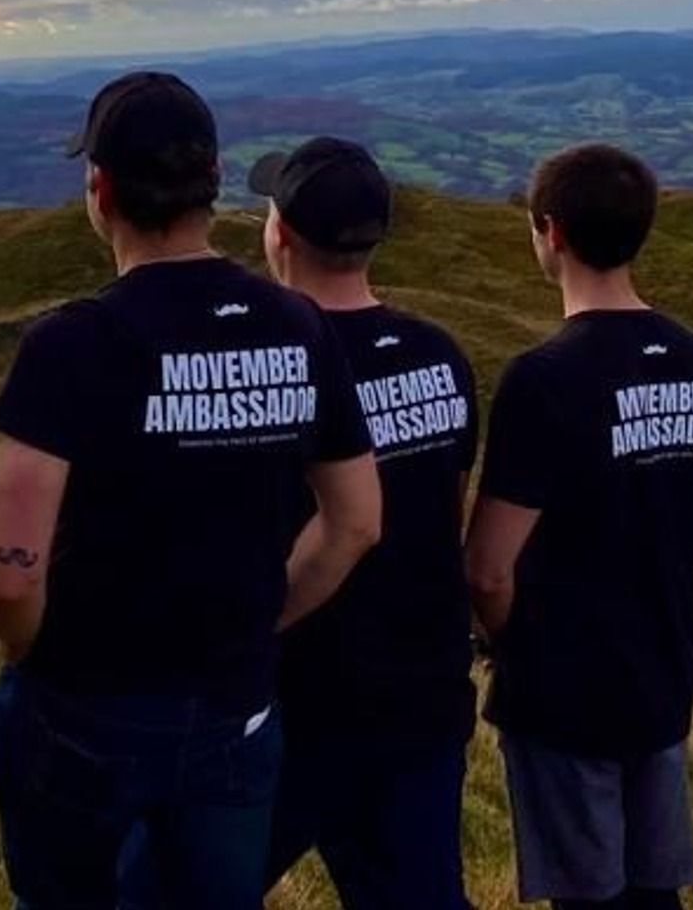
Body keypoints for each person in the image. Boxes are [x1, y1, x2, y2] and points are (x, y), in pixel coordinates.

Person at [0, 72, 382, 910]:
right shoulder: (297, 326)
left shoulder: (72, 342)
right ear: (214, 182)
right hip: (234, 705)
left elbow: (10, 574)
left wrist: (35, 658)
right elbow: (356, 523)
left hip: (82, 701)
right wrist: (261, 618)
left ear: (101, 189)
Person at [465, 144, 693, 910]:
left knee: (590, 898)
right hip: (662, 669)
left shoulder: (544, 377)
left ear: (550, 232)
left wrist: (518, 645)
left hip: (567, 691)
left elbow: (486, 568)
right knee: (655, 893)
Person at [252, 137, 480, 908]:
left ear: (279, 233)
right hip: (421, 693)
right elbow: (446, 511)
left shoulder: (277, 362)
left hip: (299, 693)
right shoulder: (439, 356)